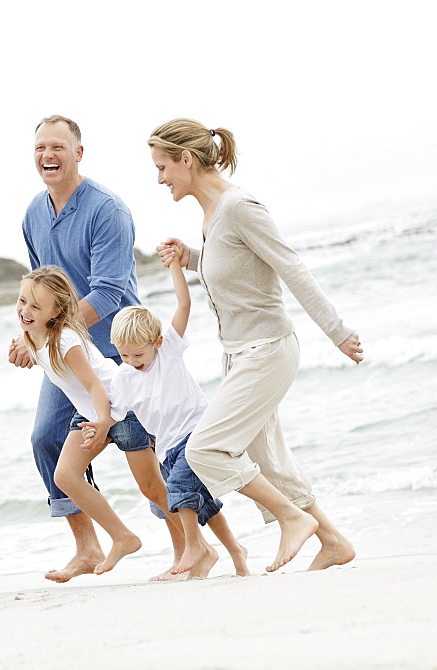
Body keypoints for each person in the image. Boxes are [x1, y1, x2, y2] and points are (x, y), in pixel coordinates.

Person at [149, 118, 364, 572]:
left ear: (186, 159)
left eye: (163, 166)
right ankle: (333, 542)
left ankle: (292, 518)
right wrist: (189, 257)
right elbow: (235, 269)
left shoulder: (240, 206)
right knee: (269, 461)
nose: (160, 178)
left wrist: (337, 331)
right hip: (239, 354)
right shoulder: (212, 216)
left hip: (267, 350)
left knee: (205, 448)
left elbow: (290, 267)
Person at [8, 115, 181, 582]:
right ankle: (86, 547)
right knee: (46, 439)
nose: (49, 155)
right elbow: (41, 291)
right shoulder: (32, 214)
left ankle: (190, 547)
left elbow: (106, 294)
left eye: (59, 147)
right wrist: (32, 332)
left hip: (125, 355)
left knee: (148, 458)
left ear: (78, 153)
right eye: (41, 147)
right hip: (67, 355)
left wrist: (44, 333)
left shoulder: (107, 210)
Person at [108, 244, 250, 578]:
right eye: (124, 356)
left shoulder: (167, 351)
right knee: (205, 506)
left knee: (179, 490)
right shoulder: (124, 377)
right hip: (167, 447)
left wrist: (174, 266)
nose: (132, 363)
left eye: (137, 356)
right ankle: (236, 553)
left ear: (156, 342)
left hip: (197, 430)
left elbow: (183, 303)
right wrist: (96, 425)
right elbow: (113, 412)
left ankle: (194, 548)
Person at [16, 265, 146, 575]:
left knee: (153, 486)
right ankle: (122, 537)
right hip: (92, 414)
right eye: (22, 301)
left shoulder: (65, 341)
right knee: (65, 477)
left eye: (36, 306)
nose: (26, 310)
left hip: (120, 409)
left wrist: (104, 422)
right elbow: (46, 360)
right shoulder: (35, 335)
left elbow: (94, 385)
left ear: (57, 310)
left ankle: (201, 549)